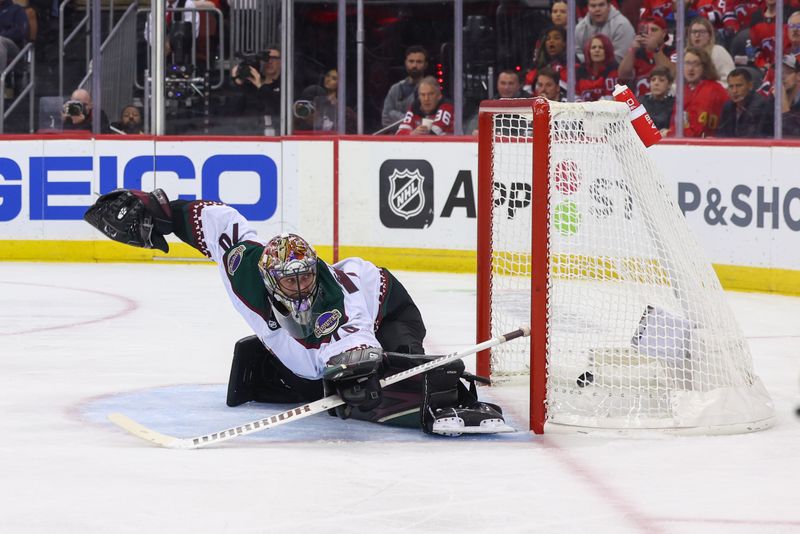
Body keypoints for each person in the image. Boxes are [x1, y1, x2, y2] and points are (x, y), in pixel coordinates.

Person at [82, 189, 510, 436]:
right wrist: (159, 210)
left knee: (375, 381)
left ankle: (446, 401)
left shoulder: (336, 298)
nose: (302, 286)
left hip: (390, 308)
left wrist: (360, 373)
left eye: (306, 276)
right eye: (291, 281)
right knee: (329, 387)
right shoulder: (245, 271)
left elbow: (357, 339)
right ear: (270, 280)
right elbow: (218, 221)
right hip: (325, 341)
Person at [668, 47, 729, 137]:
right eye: (687, 63)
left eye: (696, 64)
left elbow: (697, 132)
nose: (690, 68)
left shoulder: (712, 89)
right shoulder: (685, 89)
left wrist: (669, 133)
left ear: (705, 67)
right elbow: (675, 122)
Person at [230, 44, 281, 135]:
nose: (269, 61)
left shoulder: (285, 85)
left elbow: (277, 108)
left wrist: (260, 86)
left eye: (274, 58)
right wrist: (237, 83)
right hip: (247, 135)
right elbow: (232, 113)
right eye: (266, 58)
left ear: (281, 62)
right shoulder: (250, 84)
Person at [618, 15, 674, 95]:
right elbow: (623, 75)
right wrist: (632, 49)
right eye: (646, 31)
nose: (649, 34)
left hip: (665, 101)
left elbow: (673, 74)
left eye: (654, 30)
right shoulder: (637, 54)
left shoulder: (672, 51)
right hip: (641, 103)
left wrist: (656, 50)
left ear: (664, 33)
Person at [466, 70, 529, 134]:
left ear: (518, 86)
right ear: (497, 85)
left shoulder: (529, 105)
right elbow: (472, 128)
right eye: (503, 83)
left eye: (511, 83)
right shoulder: (489, 106)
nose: (506, 87)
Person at [381, 45, 428, 129]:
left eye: (419, 62)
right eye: (411, 61)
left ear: (425, 65)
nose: (414, 65)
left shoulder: (431, 90)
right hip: (396, 139)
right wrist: (411, 121)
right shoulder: (395, 89)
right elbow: (385, 119)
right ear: (406, 63)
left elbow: (428, 121)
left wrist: (394, 114)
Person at [718, 68, 773, 137]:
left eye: (739, 86)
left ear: (750, 86)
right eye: (731, 86)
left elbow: (755, 137)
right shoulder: (727, 106)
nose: (734, 91)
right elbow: (721, 135)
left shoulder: (761, 106)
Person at [687, 17, 735, 87]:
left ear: (709, 35)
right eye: (694, 32)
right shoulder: (684, 54)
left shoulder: (718, 51)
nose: (697, 35)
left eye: (701, 32)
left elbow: (729, 79)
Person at [523, 26, 568, 94]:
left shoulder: (573, 68)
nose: (551, 41)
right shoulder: (536, 69)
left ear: (565, 43)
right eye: (548, 39)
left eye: (556, 38)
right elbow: (527, 93)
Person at [576, 34, 619, 101]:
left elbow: (610, 99)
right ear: (588, 51)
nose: (597, 50)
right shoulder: (581, 70)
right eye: (593, 47)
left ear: (607, 51)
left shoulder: (613, 70)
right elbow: (576, 96)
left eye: (601, 47)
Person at [639, 65, 674, 134]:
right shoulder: (640, 102)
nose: (656, 83)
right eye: (653, 80)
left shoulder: (674, 104)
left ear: (669, 84)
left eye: (661, 80)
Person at [0, 0, 27, 71]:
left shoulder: (16, 9)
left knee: (0, 40)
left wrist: (2, 34)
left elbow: (21, 31)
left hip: (13, 46)